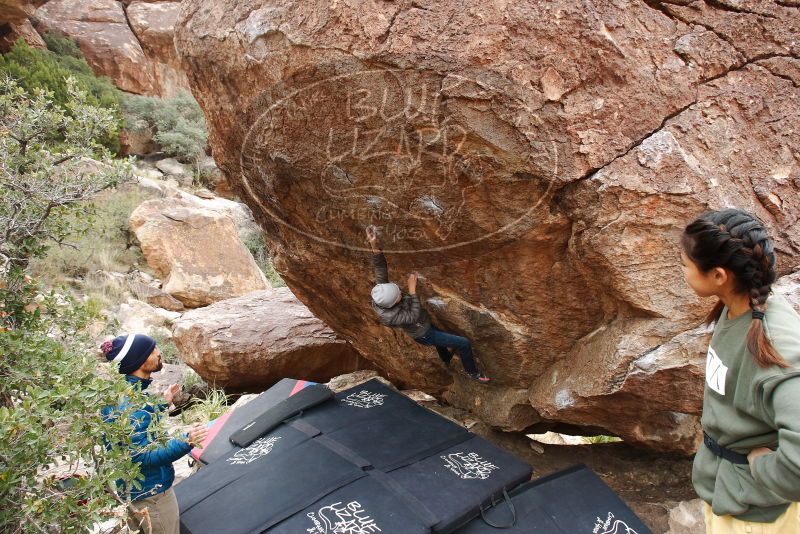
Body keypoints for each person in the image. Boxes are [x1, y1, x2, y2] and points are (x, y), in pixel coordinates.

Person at [680, 208, 800, 533]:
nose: (683, 272)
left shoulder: (776, 345)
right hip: (726, 493)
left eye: (686, 265)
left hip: (755, 516)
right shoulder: (739, 310)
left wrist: (763, 466)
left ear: (719, 275)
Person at [100, 333, 208, 534]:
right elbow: (141, 456)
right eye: (152, 350)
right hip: (152, 496)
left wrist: (162, 403)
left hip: (135, 492)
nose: (158, 353)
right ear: (139, 361)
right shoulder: (130, 405)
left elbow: (138, 425)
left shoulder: (125, 394)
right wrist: (187, 441)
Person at [366, 226, 490, 383]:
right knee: (463, 343)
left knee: (441, 342)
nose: (400, 293)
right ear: (391, 305)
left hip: (425, 325)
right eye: (399, 296)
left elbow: (379, 267)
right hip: (424, 334)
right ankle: (473, 374)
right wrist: (412, 290)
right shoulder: (389, 317)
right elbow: (413, 315)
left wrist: (373, 244)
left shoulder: (381, 293)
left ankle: (446, 357)